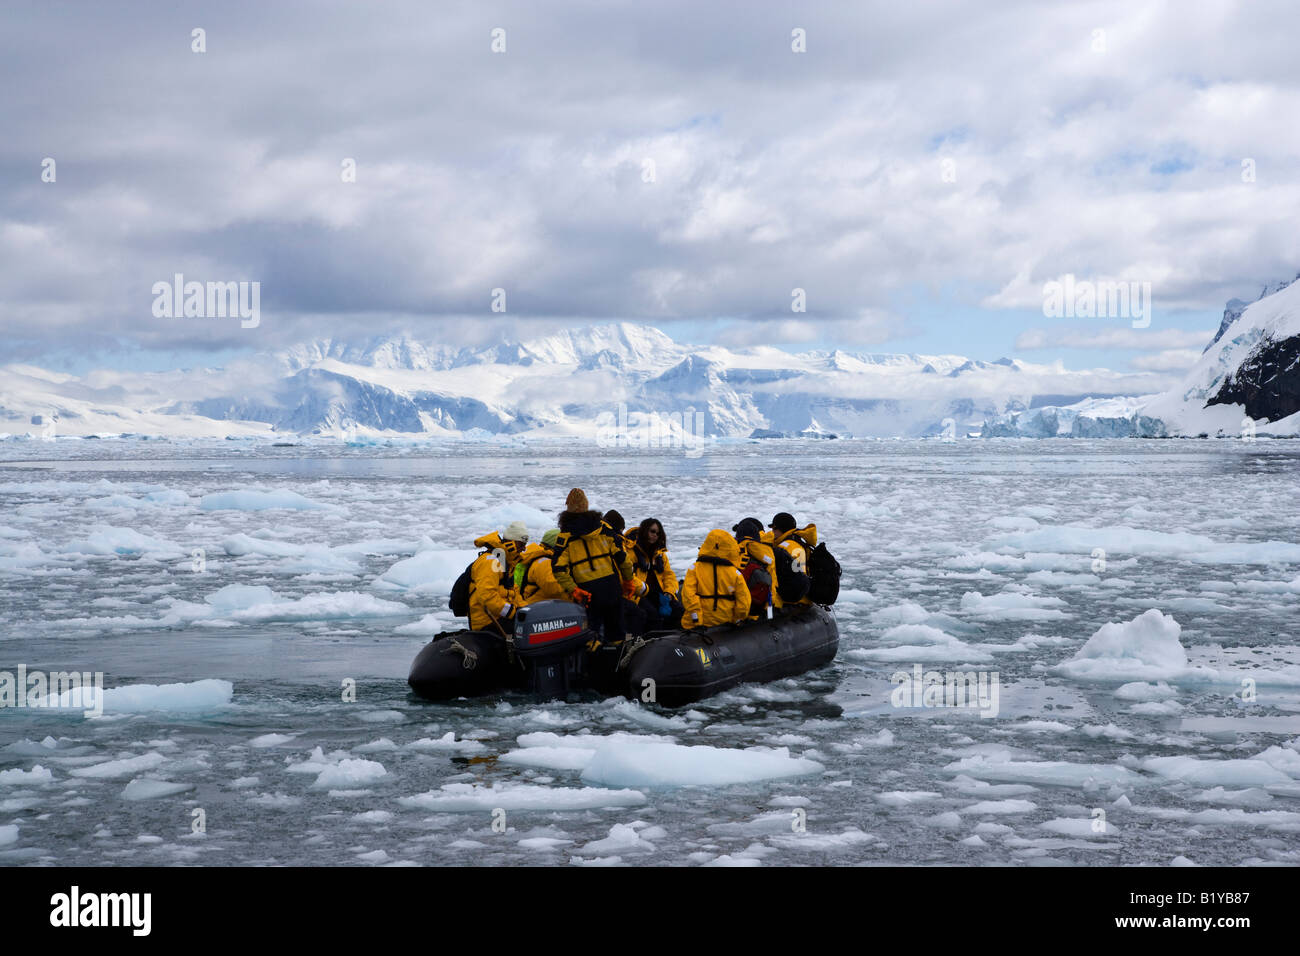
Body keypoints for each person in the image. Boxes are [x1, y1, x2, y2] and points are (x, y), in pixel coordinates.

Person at [551, 488, 634, 642]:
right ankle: (616, 661)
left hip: (587, 593)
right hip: (611, 588)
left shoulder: (565, 538)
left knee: (589, 635)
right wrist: (629, 581)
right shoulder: (604, 530)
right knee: (616, 632)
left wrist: (573, 589)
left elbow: (558, 569)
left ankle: (593, 661)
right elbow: (623, 559)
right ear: (586, 506)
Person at [681, 529, 751, 629]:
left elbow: (688, 596)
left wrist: (696, 619)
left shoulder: (694, 569)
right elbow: (744, 601)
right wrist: (737, 618)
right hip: (725, 621)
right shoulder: (735, 573)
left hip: (696, 623)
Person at [467, 521, 529, 634]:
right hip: (487, 621)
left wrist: (527, 611)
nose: (524, 549)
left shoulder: (504, 562)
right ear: (511, 542)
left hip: (499, 617)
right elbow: (487, 596)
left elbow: (513, 591)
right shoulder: (491, 562)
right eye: (521, 544)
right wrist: (512, 613)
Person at [627, 517, 682, 631]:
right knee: (652, 616)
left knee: (678, 611)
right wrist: (641, 589)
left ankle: (673, 641)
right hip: (639, 594)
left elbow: (669, 575)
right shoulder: (630, 552)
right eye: (652, 531)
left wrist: (669, 592)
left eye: (658, 533)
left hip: (657, 594)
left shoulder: (659, 554)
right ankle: (651, 643)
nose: (655, 535)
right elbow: (626, 575)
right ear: (644, 530)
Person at [769, 512, 817, 610]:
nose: (772, 532)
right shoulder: (798, 542)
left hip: (793, 600)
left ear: (779, 529)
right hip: (804, 597)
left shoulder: (786, 547)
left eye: (774, 528)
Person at [732, 516, 776, 619]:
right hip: (759, 606)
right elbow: (772, 582)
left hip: (732, 607)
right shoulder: (767, 551)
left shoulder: (731, 549)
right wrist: (769, 609)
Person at [513, 528, 568, 607]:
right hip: (535, 609)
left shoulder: (537, 557)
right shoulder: (543, 562)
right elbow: (555, 590)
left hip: (536, 606)